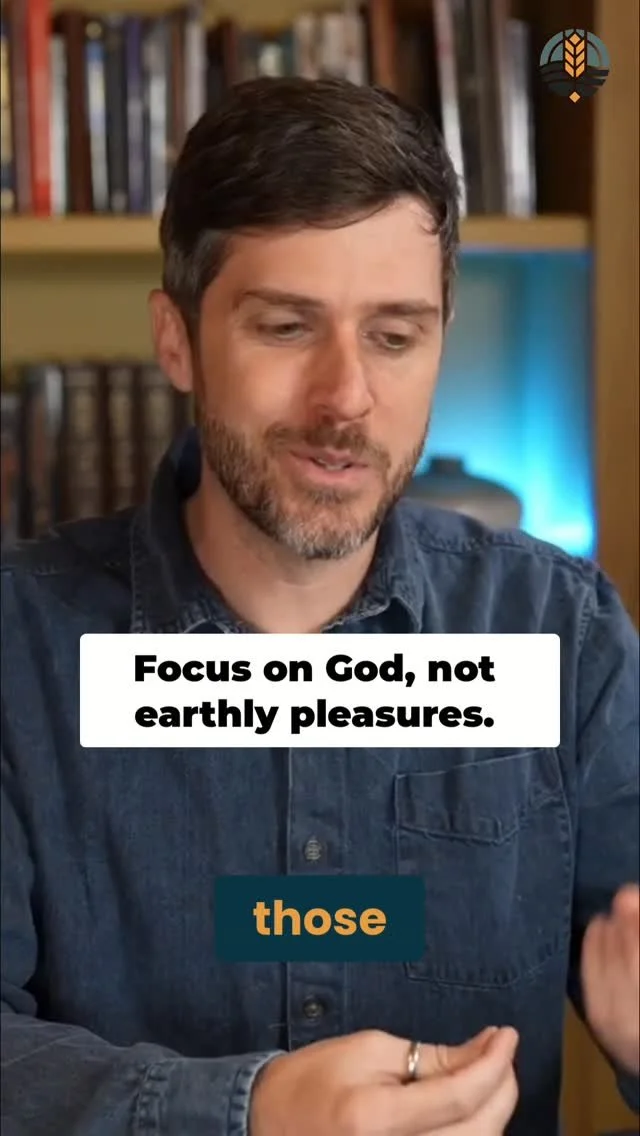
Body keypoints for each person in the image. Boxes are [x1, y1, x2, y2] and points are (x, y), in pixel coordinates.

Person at [1, 76, 638, 1136]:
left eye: (395, 335)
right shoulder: (20, 650)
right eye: (288, 326)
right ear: (176, 339)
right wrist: (242, 1110)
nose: (345, 398)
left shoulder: (558, 634)